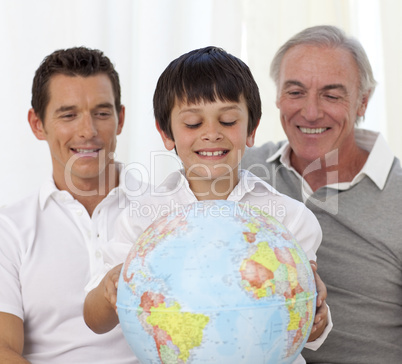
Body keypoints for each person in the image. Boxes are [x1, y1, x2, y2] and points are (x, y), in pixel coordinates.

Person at [84, 46, 332, 363]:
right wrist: (112, 287)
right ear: (166, 133)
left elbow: (308, 332)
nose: (212, 134)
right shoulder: (142, 220)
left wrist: (315, 313)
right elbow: (94, 319)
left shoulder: (290, 219)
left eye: (228, 120)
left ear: (252, 129)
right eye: (192, 124)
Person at [241, 25, 402, 363]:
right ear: (277, 98)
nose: (311, 112)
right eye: (296, 92)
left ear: (362, 102)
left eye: (332, 95)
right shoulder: (240, 169)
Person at [0, 47, 143, 363]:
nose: (88, 131)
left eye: (102, 113)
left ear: (121, 119)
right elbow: (3, 349)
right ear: (37, 124)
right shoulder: (8, 230)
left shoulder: (166, 213)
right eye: (68, 114)